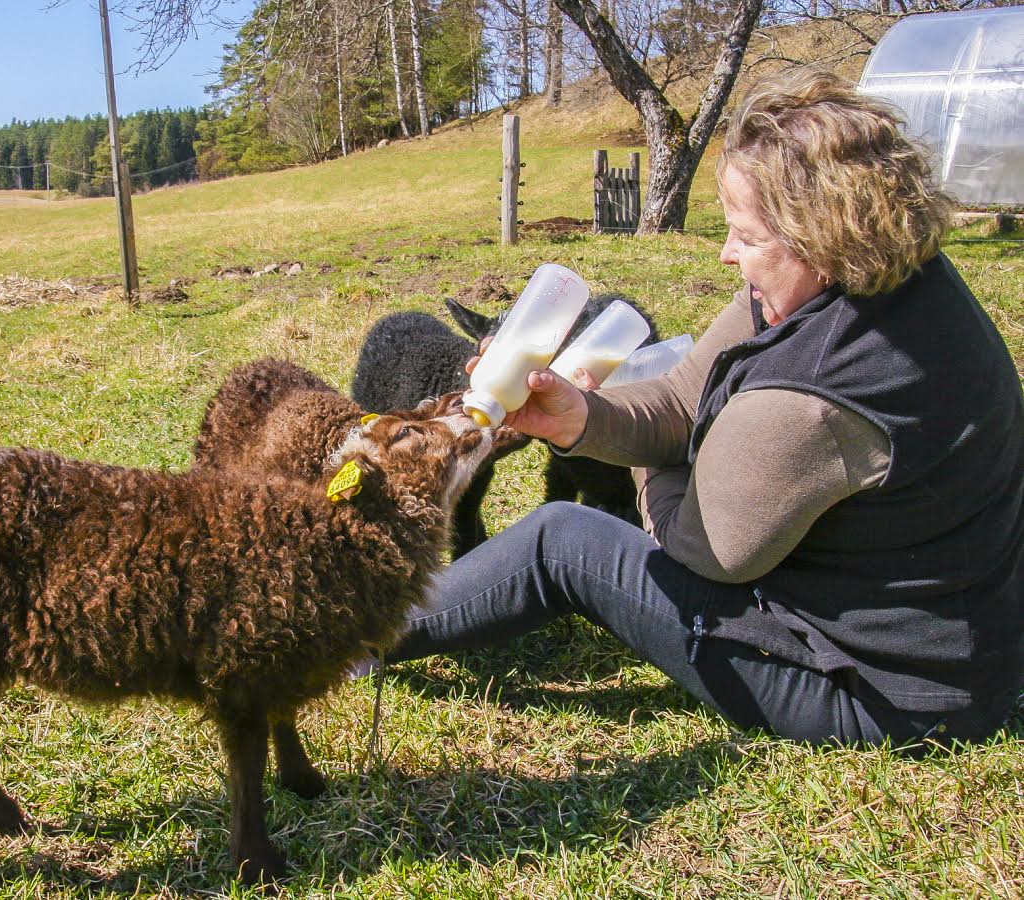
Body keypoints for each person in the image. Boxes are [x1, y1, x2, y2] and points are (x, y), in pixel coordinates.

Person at [378, 69, 1024, 749]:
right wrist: (577, 419)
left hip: (888, 697)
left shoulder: (813, 398)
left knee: (563, 540)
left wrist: (652, 465)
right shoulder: (881, 272)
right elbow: (682, 394)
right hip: (949, 640)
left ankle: (348, 633)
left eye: (744, 236)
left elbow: (697, 549)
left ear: (819, 234)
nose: (725, 254)